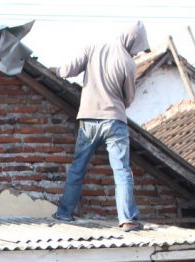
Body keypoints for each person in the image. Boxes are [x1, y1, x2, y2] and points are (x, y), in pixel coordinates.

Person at [53, 21, 150, 232]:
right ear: (133, 41)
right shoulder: (128, 63)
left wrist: (56, 70)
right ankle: (127, 219)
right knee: (121, 171)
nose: (136, 52)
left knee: (78, 167)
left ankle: (64, 213)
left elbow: (67, 70)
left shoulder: (93, 47)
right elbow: (129, 99)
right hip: (115, 121)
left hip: (88, 119)